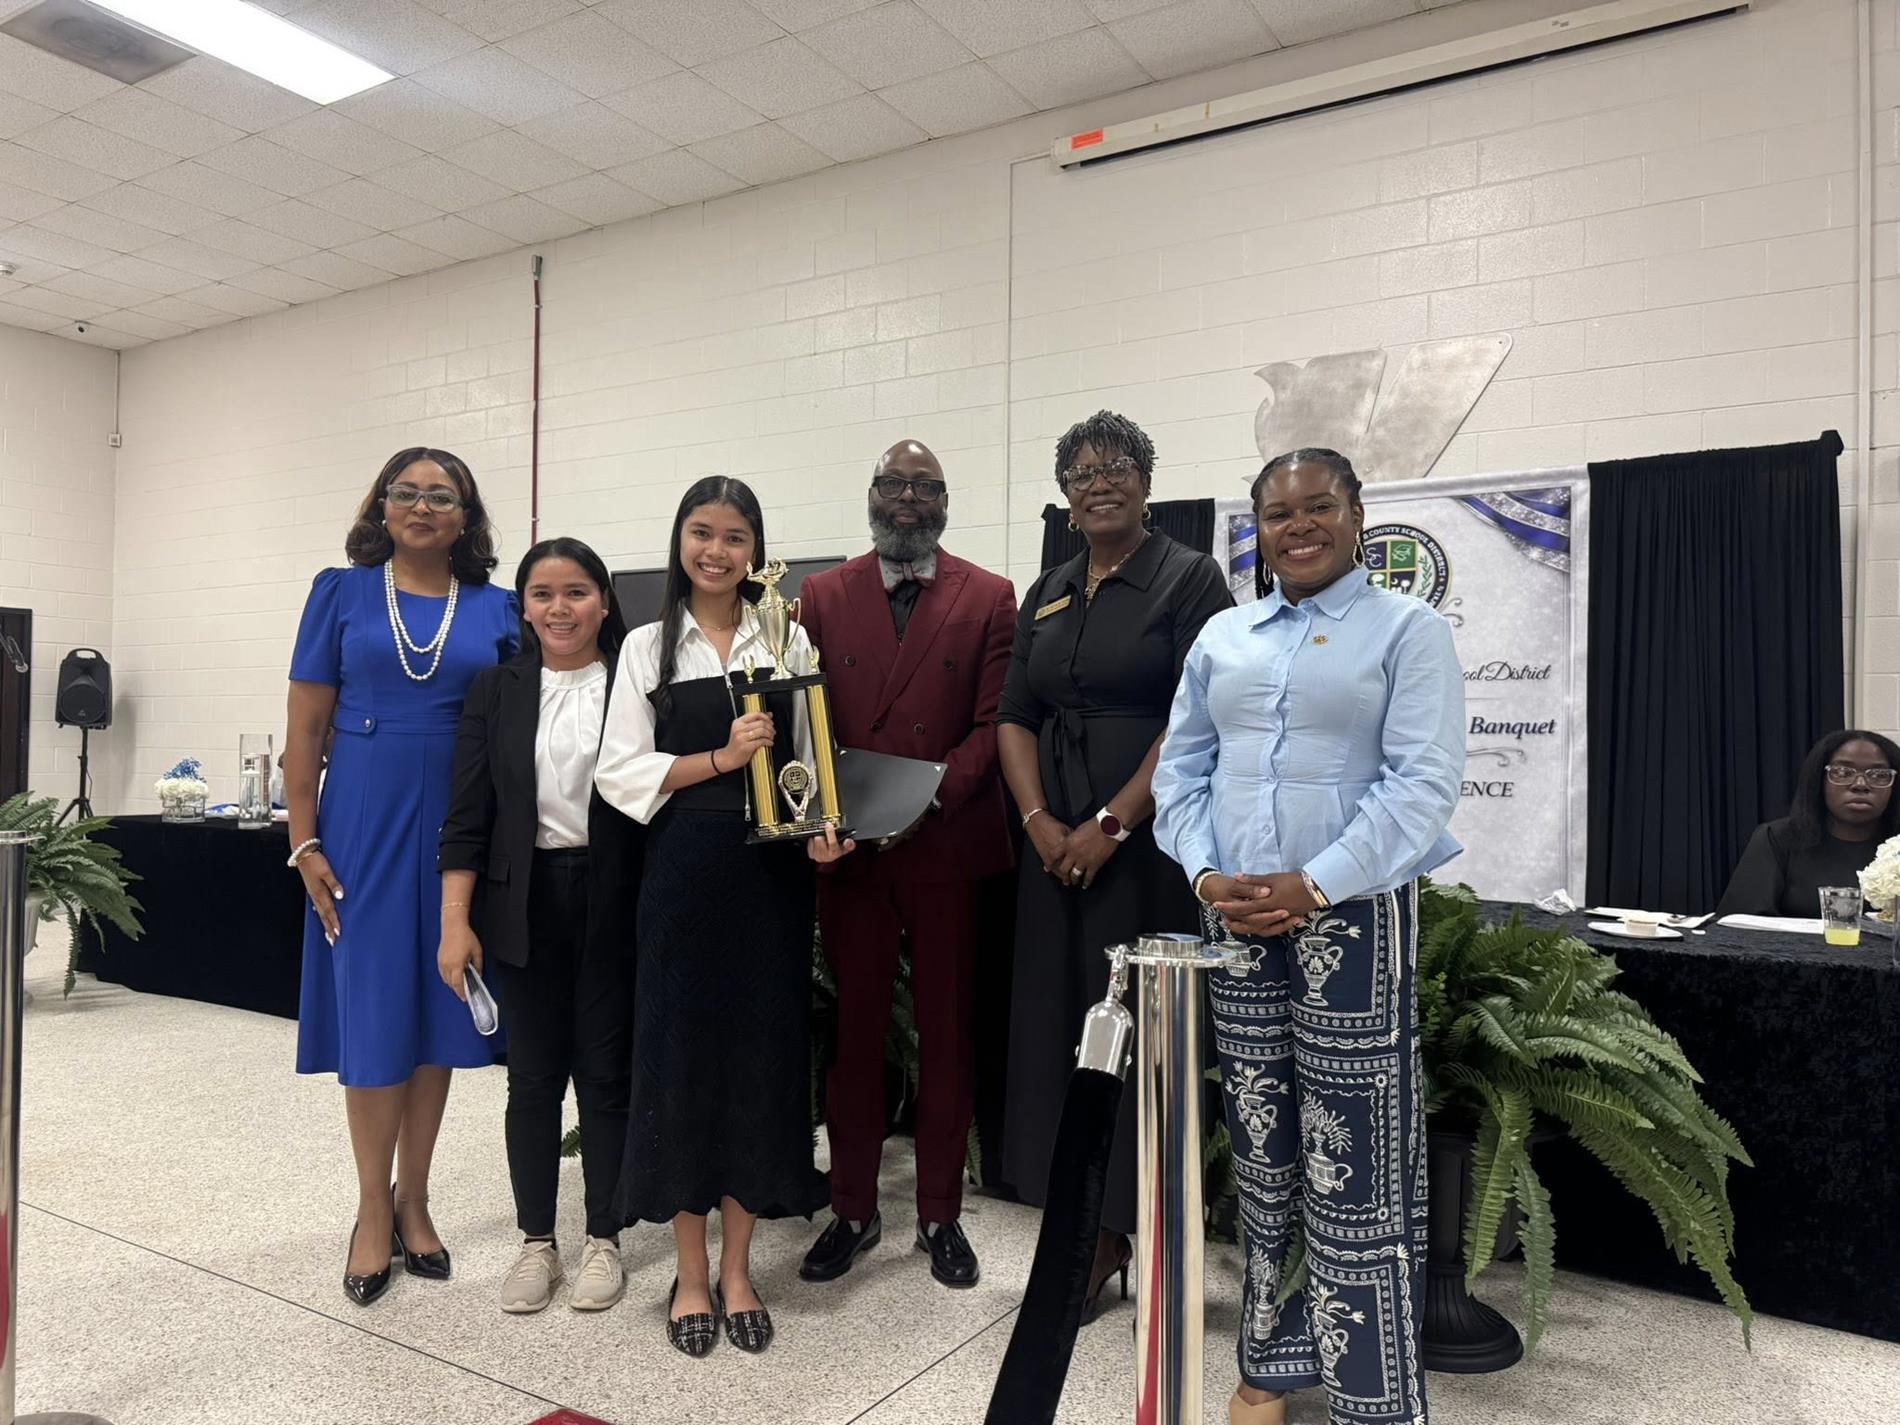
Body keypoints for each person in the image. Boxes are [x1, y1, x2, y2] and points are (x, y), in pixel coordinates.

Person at [1153, 448, 1464, 1425]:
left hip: (1354, 921)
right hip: (1236, 916)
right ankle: (1271, 1366)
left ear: (1356, 513)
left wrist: (1314, 885)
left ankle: (1370, 1393)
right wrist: (1204, 872)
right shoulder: (1224, 635)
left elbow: (1421, 787)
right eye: (1278, 511)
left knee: (1352, 1161)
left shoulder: (1405, 631)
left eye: (1318, 505)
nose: (1299, 524)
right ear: (1258, 528)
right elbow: (1181, 774)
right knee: (1262, 1149)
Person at [997, 410, 1232, 1321]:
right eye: (1082, 469)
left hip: (1144, 850)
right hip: (1050, 849)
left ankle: (1126, 1229)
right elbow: (1014, 711)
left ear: (1146, 479)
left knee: (1137, 1032)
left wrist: (1107, 823)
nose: (1100, 480)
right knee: (1057, 1024)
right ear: (1064, 492)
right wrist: (1039, 822)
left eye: (1118, 465)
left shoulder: (1187, 577)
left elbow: (1197, 718)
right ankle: (1072, 1223)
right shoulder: (1050, 588)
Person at [594, 476, 827, 1358]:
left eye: (736, 537)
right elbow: (621, 773)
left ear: (756, 551)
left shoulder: (787, 633)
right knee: (683, 1065)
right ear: (679, 540)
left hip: (770, 880)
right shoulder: (648, 647)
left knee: (759, 1065)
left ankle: (739, 1268)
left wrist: (820, 830)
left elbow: (809, 760)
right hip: (684, 874)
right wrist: (719, 757)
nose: (717, 551)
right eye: (702, 533)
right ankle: (689, 1271)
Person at [284, 446, 518, 1307]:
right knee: (378, 1014)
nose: (422, 506)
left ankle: (415, 1197)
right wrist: (304, 844)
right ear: (382, 506)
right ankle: (369, 1211)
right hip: (364, 820)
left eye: (441, 495)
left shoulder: (498, 607)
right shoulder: (338, 593)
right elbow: (305, 734)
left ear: (466, 517)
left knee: (439, 1012)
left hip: (461, 822)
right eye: (406, 492)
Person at [792, 439, 1017, 1291]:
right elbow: (805, 718)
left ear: (946, 498)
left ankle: (939, 1213)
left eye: (925, 485)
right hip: (850, 853)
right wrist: (829, 815)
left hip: (945, 845)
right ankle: (852, 1206)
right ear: (873, 495)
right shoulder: (819, 593)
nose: (909, 498)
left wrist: (917, 800)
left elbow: (994, 724)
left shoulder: (991, 595)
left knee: (948, 1033)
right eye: (894, 483)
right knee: (853, 1039)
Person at [437, 538, 640, 1315]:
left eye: (579, 591)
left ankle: (604, 1238)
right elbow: (467, 817)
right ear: (523, 605)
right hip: (522, 900)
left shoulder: (633, 682)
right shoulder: (497, 689)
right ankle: (535, 1242)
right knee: (532, 1079)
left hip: (614, 895)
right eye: (545, 593)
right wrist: (456, 920)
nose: (562, 608)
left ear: (605, 602)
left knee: (606, 1074)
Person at [1715, 729, 1900, 917]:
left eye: (1878, 775)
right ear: (1819, 781)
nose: (1860, 784)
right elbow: (1739, 925)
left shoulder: (1897, 844)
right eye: (1843, 772)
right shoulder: (1778, 838)